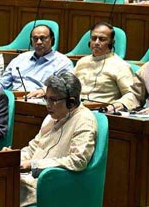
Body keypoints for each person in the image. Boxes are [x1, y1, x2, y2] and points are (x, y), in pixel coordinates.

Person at [16, 73, 98, 206]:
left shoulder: (84, 120)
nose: (47, 105)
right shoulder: (50, 118)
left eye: (53, 100)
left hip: (50, 185)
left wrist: (34, 165)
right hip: (27, 180)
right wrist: (11, 157)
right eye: (46, 98)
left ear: (71, 102)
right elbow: (33, 148)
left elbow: (78, 161)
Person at [63, 23, 141, 111]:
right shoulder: (82, 61)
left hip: (100, 111)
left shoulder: (120, 66)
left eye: (102, 39)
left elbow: (132, 94)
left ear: (112, 42)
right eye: (93, 38)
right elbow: (66, 85)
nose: (96, 42)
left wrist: (117, 105)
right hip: (75, 108)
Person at [0, 25, 73, 92]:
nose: (39, 42)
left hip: (40, 101)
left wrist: (45, 90)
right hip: (15, 97)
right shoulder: (20, 58)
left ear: (51, 40)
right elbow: (2, 83)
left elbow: (66, 87)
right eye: (35, 38)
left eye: (43, 38)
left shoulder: (63, 62)